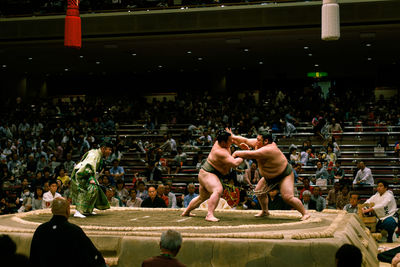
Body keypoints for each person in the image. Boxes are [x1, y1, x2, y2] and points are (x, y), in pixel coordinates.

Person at [229, 130, 309, 220]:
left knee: (287, 197)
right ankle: (265, 211)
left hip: (283, 174)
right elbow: (246, 140)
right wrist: (233, 137)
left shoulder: (270, 149)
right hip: (269, 177)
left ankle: (305, 213)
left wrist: (236, 153)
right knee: (259, 191)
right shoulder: (259, 144)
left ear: (266, 141)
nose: (256, 141)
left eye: (259, 140)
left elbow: (252, 154)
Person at [181, 130, 244, 222]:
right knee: (217, 190)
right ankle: (209, 215)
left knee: (202, 197)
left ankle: (186, 211)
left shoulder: (222, 142)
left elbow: (233, 140)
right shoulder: (219, 151)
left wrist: (234, 138)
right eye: (230, 141)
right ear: (223, 142)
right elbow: (234, 163)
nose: (232, 142)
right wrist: (245, 154)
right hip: (208, 173)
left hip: (206, 173)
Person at [29, 197, 106, 267]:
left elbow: (33, 258)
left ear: (52, 210)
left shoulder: (41, 230)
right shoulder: (75, 231)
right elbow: (93, 255)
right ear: (67, 211)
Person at [70, 142, 112, 218]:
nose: (110, 152)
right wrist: (90, 178)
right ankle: (78, 211)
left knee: (94, 189)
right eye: (109, 149)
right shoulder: (94, 155)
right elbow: (87, 166)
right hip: (81, 174)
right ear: (103, 148)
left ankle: (88, 210)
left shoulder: (98, 155)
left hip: (86, 174)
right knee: (86, 190)